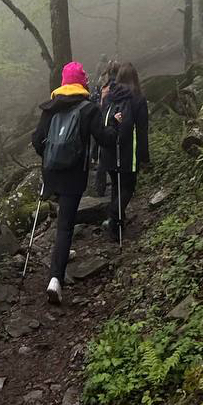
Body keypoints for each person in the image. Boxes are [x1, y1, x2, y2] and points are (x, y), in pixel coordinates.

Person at [31, 60, 117, 305]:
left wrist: (50, 158)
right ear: (82, 82)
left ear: (63, 82)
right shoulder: (88, 108)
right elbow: (105, 139)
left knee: (63, 221)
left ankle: (62, 251)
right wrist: (115, 124)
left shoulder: (50, 108)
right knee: (65, 226)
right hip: (73, 176)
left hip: (51, 174)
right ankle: (55, 279)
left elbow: (37, 141)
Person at [98, 61, 150, 243]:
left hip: (108, 150)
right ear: (135, 78)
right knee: (128, 187)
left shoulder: (109, 96)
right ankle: (114, 214)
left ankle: (116, 227)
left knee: (116, 186)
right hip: (128, 152)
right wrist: (144, 157)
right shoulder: (138, 99)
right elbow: (142, 130)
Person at [93, 58, 119, 196]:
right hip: (111, 119)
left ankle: (100, 186)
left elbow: (96, 97)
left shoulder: (102, 82)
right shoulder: (116, 84)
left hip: (101, 117)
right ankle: (111, 184)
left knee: (101, 153)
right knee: (108, 153)